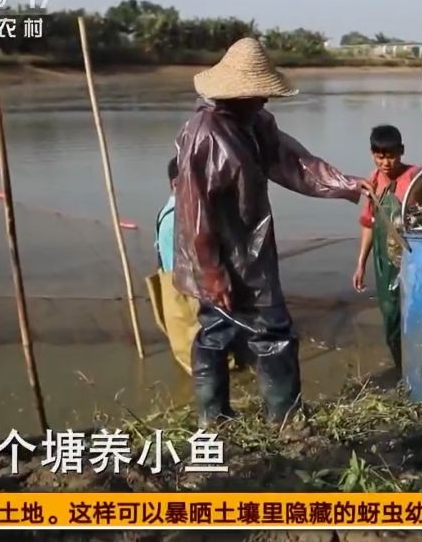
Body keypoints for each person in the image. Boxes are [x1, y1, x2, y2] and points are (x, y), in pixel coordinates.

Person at [173, 37, 370, 426]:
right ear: (236, 93)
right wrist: (213, 273)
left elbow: (293, 162)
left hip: (251, 249)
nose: (265, 101)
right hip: (216, 254)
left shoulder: (255, 123)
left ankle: (264, 415)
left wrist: (349, 184)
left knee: (235, 329)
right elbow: (196, 215)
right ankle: (262, 418)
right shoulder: (206, 135)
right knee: (244, 331)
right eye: (259, 94)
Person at [148, 159, 250, 374]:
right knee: (207, 343)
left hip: (180, 284)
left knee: (197, 344)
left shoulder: (171, 212)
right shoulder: (182, 216)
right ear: (176, 184)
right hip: (187, 288)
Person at [352, 125, 418, 372]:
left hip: (413, 257)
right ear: (372, 154)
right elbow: (368, 224)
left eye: (391, 156)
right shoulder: (373, 182)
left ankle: (421, 363)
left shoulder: (414, 177)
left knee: (415, 312)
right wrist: (361, 264)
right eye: (380, 156)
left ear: (401, 151)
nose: (386, 163)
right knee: (390, 316)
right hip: (384, 261)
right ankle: (402, 369)